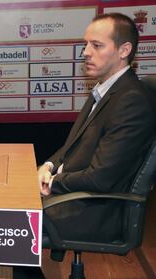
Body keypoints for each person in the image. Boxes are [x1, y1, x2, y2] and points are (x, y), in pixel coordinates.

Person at [38, 13, 156, 242]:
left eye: (97, 45)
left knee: (0, 222)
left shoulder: (131, 100)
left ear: (124, 51)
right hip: (73, 197)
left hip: (89, 210)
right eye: (86, 45)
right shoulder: (105, 91)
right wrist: (48, 165)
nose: (86, 53)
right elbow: (71, 147)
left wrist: (51, 182)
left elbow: (101, 178)